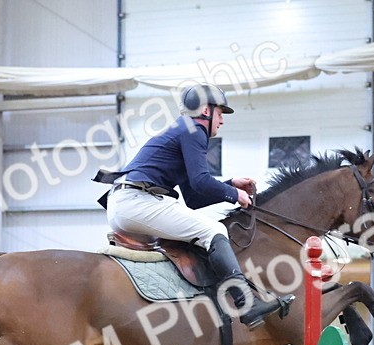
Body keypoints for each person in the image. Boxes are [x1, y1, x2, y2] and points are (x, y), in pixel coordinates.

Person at [97, 83, 292, 329]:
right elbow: (201, 182)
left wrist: (230, 184)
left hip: (127, 203)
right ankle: (247, 304)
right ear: (205, 111)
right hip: (137, 202)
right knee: (214, 231)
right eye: (220, 112)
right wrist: (235, 194)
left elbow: (194, 196)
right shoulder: (193, 130)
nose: (222, 120)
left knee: (199, 235)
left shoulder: (182, 130)